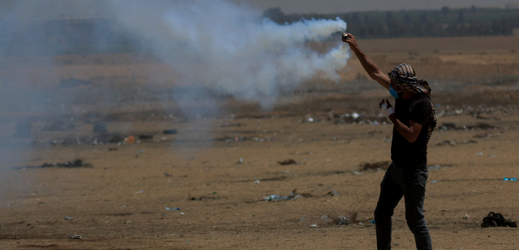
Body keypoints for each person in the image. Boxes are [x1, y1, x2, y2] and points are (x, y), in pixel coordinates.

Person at [342, 33, 436, 250]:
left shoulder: (420, 104)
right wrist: (356, 48)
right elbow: (375, 73)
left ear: (403, 85)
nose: (391, 87)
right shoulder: (401, 93)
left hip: (413, 171)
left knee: (415, 221)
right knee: (382, 213)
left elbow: (412, 135)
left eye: (394, 84)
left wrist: (390, 114)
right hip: (396, 168)